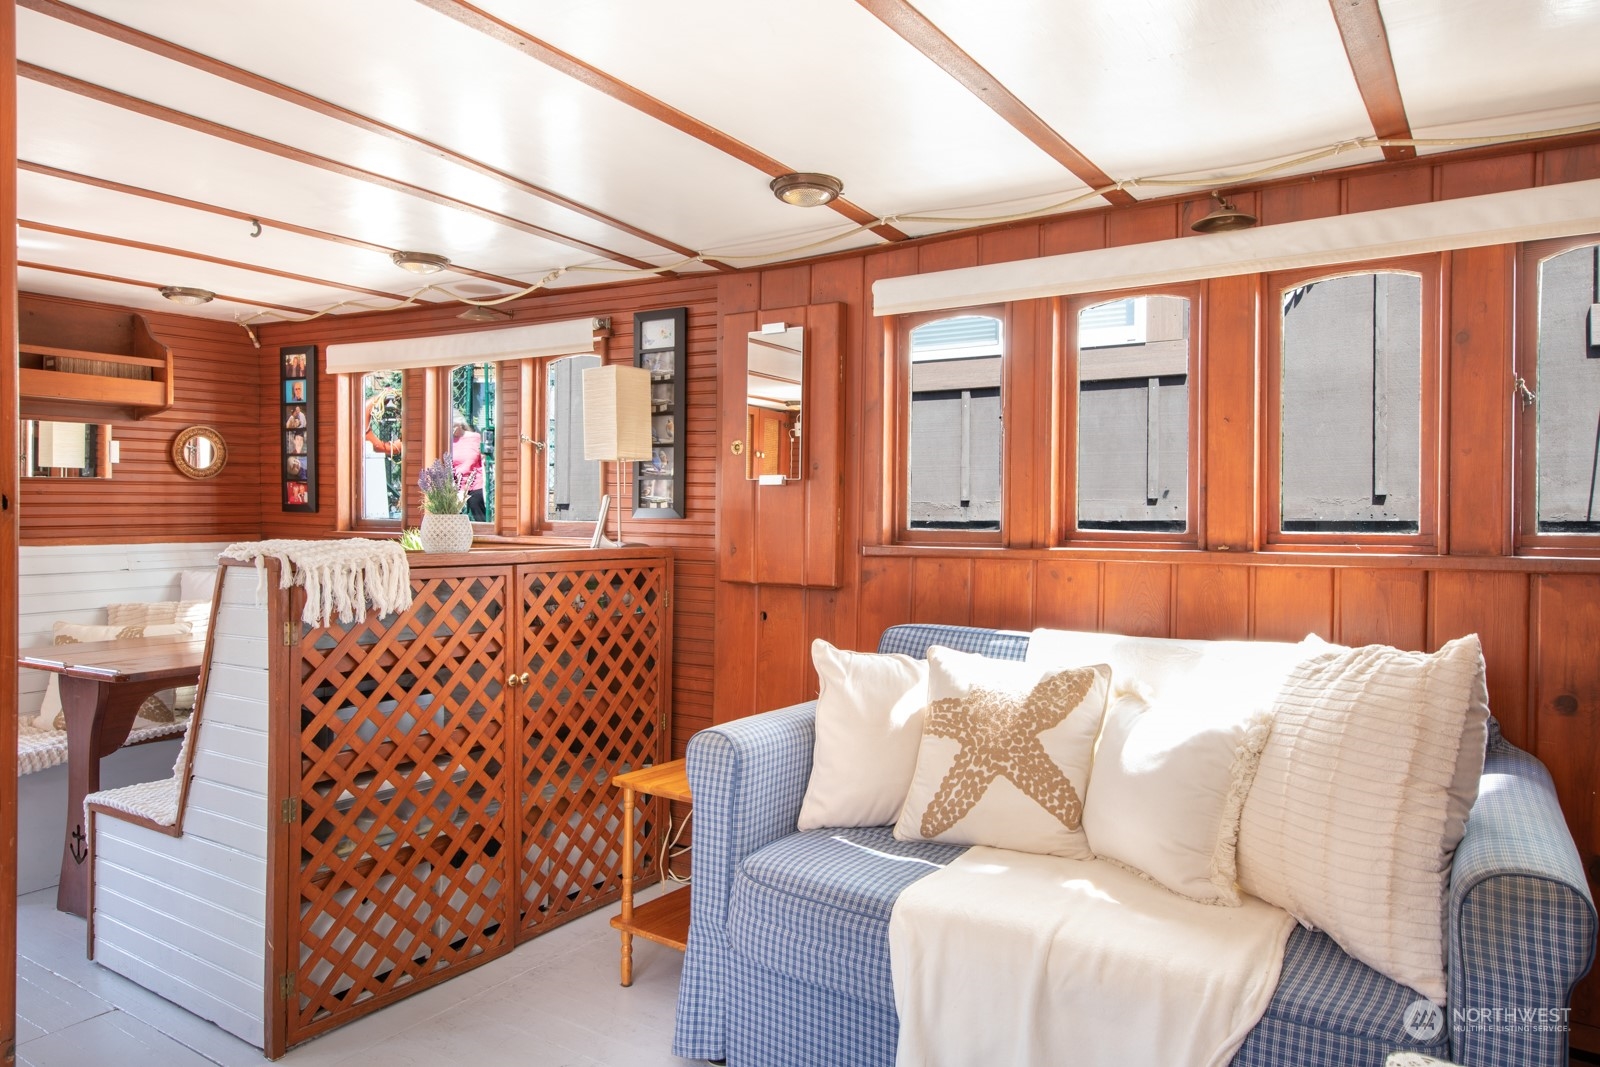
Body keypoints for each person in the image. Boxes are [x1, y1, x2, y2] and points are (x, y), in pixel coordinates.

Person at [451, 416, 486, 521]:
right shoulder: (447, 440)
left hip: (475, 482)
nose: (451, 428)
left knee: (479, 515)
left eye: (453, 425)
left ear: (460, 424)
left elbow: (483, 457)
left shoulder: (475, 437)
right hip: (456, 484)